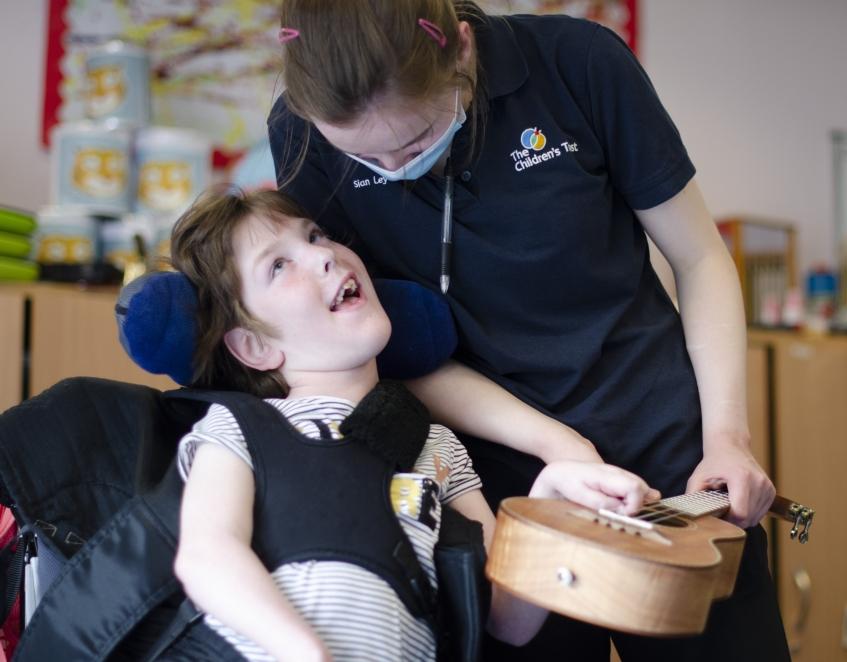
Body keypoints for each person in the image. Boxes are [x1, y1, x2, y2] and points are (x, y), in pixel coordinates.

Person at [267, 1, 789, 660]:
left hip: (666, 456)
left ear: (460, 50)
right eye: (367, 162)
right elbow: (380, 340)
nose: (396, 169)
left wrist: (728, 436)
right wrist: (558, 448)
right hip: (496, 484)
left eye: (415, 142)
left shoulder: (578, 64)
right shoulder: (298, 132)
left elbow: (699, 256)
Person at [169, 188, 659, 661]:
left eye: (315, 236)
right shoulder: (241, 426)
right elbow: (206, 556)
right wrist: (307, 652)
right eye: (278, 265)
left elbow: (506, 619)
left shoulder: (436, 445)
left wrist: (549, 497)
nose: (323, 256)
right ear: (254, 347)